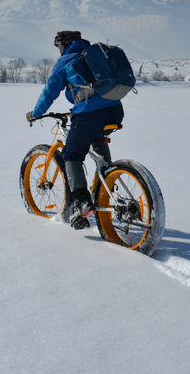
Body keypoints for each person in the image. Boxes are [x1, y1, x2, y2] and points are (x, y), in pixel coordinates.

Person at [26, 30, 124, 229]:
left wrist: (36, 113)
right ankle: (107, 183)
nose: (59, 50)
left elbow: (50, 90)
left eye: (59, 46)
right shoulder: (95, 56)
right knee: (98, 143)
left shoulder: (67, 60)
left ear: (64, 45)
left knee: (71, 154)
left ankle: (82, 202)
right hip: (115, 110)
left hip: (89, 115)